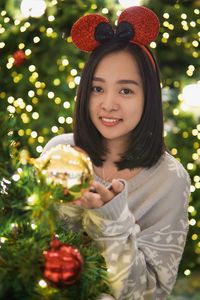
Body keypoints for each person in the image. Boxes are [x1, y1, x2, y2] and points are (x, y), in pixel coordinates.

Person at [42, 6, 190, 300]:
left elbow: (150, 294)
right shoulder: (59, 151)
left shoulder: (170, 180)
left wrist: (112, 218)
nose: (108, 104)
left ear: (148, 97)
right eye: (97, 89)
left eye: (125, 91)